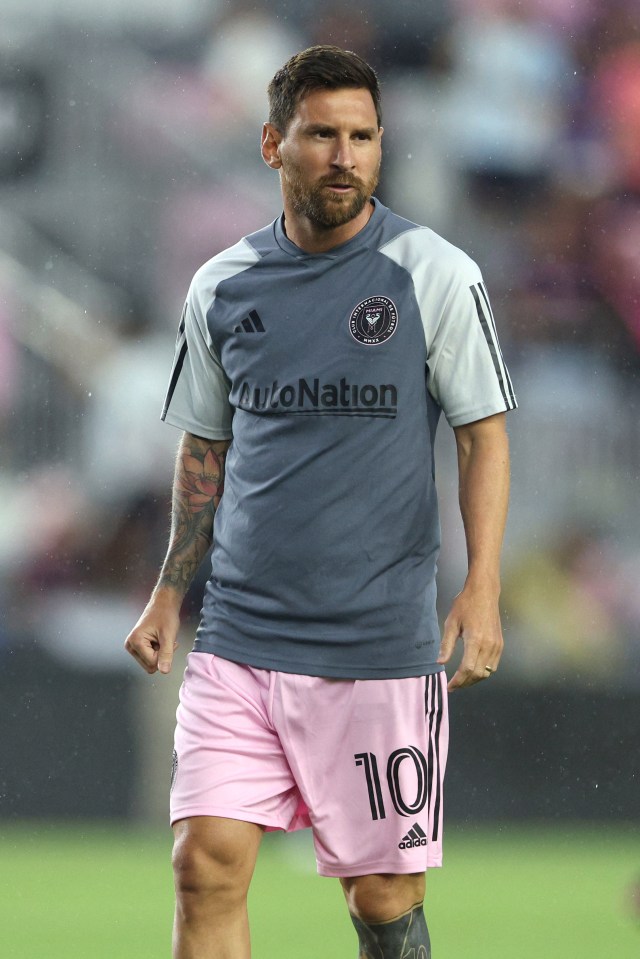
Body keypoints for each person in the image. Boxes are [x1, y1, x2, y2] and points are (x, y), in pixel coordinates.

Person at [125, 44, 516, 959]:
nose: (345, 156)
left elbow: (482, 433)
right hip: (240, 638)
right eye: (322, 135)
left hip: (376, 644)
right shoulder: (222, 286)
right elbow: (204, 447)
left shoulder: (434, 273)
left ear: (382, 147)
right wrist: (169, 590)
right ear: (272, 144)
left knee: (382, 896)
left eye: (363, 137)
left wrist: (483, 584)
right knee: (205, 862)